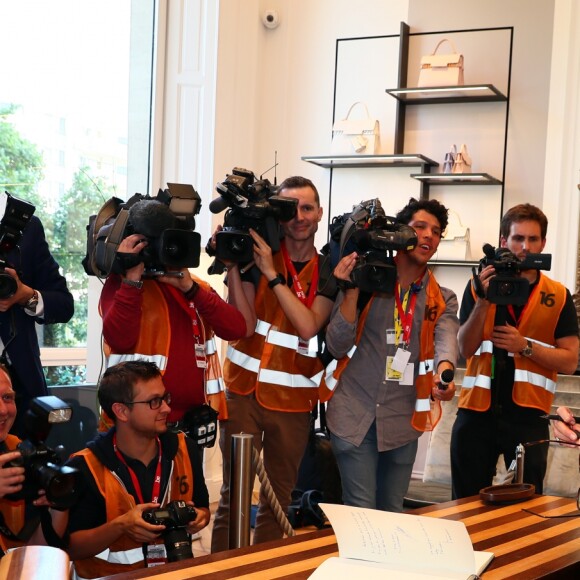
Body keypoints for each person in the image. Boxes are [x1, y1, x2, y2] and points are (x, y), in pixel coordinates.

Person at [211, 176, 337, 552]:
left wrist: (271, 273)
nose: (298, 216)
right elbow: (242, 323)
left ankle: (265, 573)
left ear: (319, 214)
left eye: (307, 208)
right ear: (276, 215)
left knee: (277, 499)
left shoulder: (328, 269)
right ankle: (220, 574)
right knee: (234, 493)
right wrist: (232, 264)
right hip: (242, 394)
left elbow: (311, 323)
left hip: (294, 404)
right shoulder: (256, 252)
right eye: (289, 208)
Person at [325, 197, 459, 513]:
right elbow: (336, 345)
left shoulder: (443, 298)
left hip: (402, 422)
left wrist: (445, 372)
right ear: (401, 233)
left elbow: (446, 339)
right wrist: (352, 290)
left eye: (436, 231)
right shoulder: (368, 276)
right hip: (353, 414)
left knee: (392, 511)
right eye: (420, 227)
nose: (428, 235)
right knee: (361, 512)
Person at [451, 203, 579, 499]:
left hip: (528, 420)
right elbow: (464, 349)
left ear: (543, 243)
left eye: (533, 239)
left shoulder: (558, 296)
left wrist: (525, 346)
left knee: (523, 513)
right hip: (475, 416)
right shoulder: (478, 286)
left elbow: (571, 361)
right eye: (518, 238)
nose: (525, 246)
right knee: (464, 508)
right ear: (502, 242)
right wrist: (483, 301)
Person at [99, 208, 252, 428]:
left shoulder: (194, 285)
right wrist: (131, 279)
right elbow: (120, 339)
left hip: (190, 421)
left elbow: (236, 329)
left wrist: (191, 289)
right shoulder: (121, 285)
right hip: (137, 424)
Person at [63, 360, 210, 578]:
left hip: (174, 573)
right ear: (121, 411)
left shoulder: (183, 448)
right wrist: (120, 526)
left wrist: (199, 518)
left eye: (165, 398)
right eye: (154, 402)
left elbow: (204, 509)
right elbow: (70, 548)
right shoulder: (85, 466)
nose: (167, 408)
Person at [0, 206, 74, 436]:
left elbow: (63, 305)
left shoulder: (25, 227)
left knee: (25, 466)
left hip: (19, 388)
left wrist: (25, 296)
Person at [0, 363, 66, 555]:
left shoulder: (16, 451)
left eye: (7, 398)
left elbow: (35, 552)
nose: (3, 410)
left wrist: (59, 506)